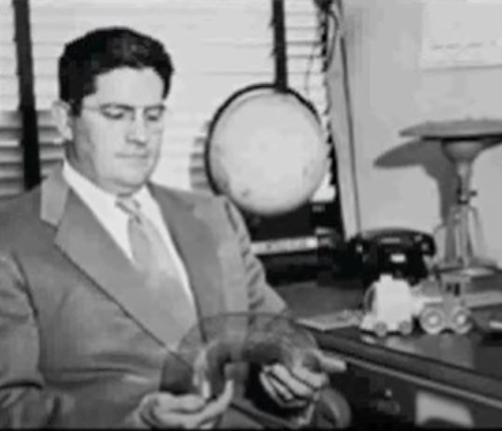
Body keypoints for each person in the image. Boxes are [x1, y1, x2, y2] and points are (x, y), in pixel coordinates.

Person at [0, 27, 336, 428]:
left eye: (153, 115)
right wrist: (135, 421)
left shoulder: (215, 216)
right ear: (64, 121)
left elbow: (274, 327)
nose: (140, 136)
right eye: (116, 115)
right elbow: (10, 407)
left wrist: (289, 373)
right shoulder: (12, 238)